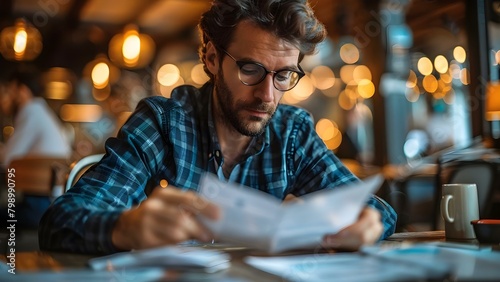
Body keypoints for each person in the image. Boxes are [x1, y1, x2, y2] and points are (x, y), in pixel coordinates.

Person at [39, 0, 397, 254]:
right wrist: (125, 227)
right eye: (251, 69)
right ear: (211, 58)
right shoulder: (162, 123)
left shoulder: (292, 133)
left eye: (284, 74)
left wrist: (367, 223)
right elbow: (59, 223)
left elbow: (378, 211)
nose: (267, 95)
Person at [0, 69, 71, 228]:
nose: (5, 98)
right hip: (50, 202)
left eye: (9, 91)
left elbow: (7, 159)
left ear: (22, 90)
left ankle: (9, 252)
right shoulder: (41, 111)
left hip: (40, 207)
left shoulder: (31, 111)